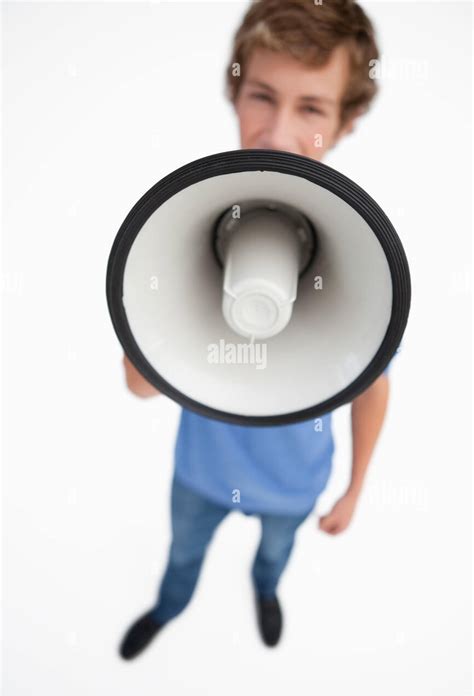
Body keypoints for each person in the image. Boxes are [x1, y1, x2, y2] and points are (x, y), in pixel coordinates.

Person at [119, 0, 392, 660]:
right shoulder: (181, 221)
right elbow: (140, 388)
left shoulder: (368, 258)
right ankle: (170, 605)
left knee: (277, 551)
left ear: (347, 120)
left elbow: (371, 387)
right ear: (234, 92)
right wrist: (156, 293)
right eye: (262, 96)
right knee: (184, 550)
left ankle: (265, 591)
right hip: (202, 472)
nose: (277, 129)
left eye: (312, 108)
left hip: (294, 483)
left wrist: (355, 489)